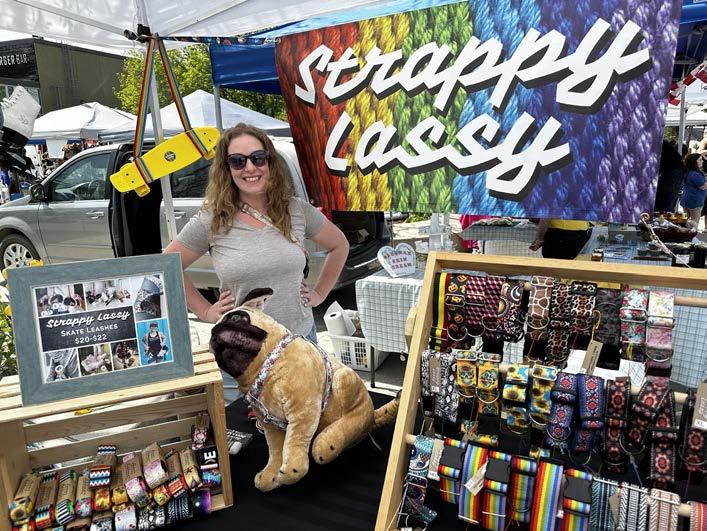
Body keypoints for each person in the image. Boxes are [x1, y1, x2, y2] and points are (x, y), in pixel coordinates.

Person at [163, 123, 349, 404]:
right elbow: (169, 265)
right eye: (238, 161)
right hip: (242, 351)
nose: (250, 168)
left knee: (302, 420)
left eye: (258, 158)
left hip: (298, 343)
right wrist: (206, 311)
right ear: (226, 168)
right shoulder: (212, 219)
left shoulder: (296, 210)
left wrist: (320, 293)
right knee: (247, 425)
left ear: (270, 162)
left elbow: (339, 245)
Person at [653, 141, 685, 213]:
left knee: (667, 201)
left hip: (663, 207)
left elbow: (669, 195)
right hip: (673, 172)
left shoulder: (674, 170)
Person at [681, 153, 707, 229]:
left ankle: (685, 232)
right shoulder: (695, 174)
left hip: (687, 199)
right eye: (700, 160)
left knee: (686, 220)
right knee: (695, 221)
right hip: (695, 200)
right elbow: (702, 187)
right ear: (694, 162)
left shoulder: (689, 172)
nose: (702, 161)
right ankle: (692, 234)